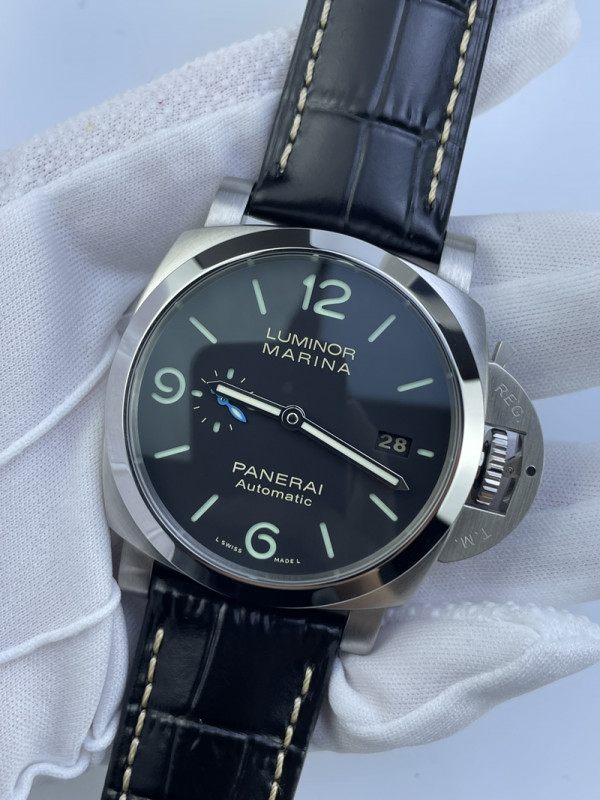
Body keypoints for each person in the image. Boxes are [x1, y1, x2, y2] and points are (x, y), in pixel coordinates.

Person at [1, 1, 599, 798]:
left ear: (485, 465)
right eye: (285, 410)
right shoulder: (222, 257)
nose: (292, 416)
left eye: (300, 416)